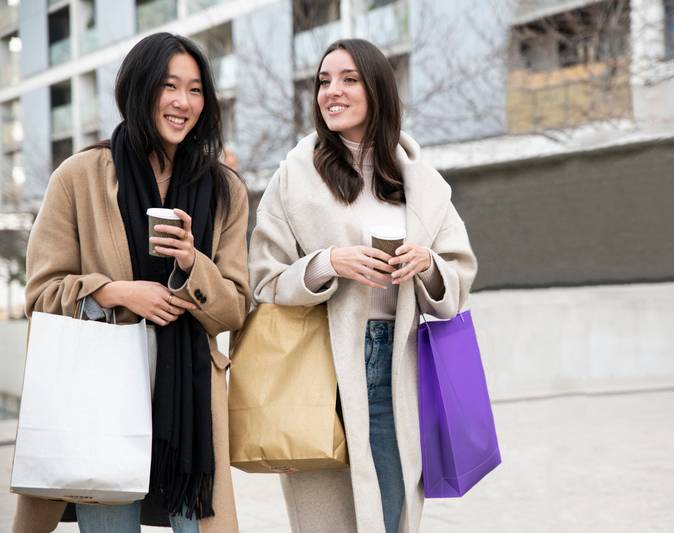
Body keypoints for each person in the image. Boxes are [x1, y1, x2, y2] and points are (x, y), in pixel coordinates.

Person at [13, 32, 249, 532]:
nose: (183, 102)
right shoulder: (80, 176)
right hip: (103, 392)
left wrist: (192, 264)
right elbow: (40, 293)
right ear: (138, 90)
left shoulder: (224, 189)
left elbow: (233, 310)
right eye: (169, 86)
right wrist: (114, 292)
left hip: (190, 410)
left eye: (195, 90)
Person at [248, 38, 478, 533]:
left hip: (400, 368)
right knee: (328, 520)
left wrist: (427, 264)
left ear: (377, 90)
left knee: (393, 516)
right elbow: (264, 281)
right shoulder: (293, 178)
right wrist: (329, 262)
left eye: (348, 79)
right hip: (321, 366)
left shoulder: (424, 183)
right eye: (323, 81)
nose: (332, 91)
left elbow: (458, 278)